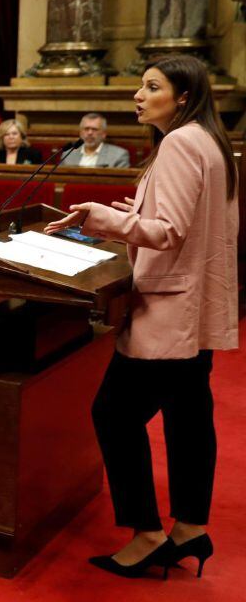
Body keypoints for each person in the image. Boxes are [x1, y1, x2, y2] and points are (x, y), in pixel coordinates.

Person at [44, 55, 238, 580]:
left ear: (181, 97)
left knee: (113, 414)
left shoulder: (178, 143)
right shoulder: (212, 142)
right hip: (199, 309)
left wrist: (103, 217)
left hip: (170, 311)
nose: (137, 94)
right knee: (189, 418)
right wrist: (138, 216)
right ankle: (191, 528)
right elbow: (192, 225)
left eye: (151, 86)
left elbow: (171, 230)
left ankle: (148, 533)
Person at [61, 113, 131, 168]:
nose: (89, 133)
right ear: (80, 132)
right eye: (86, 129)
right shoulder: (68, 154)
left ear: (104, 134)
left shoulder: (118, 155)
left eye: (94, 129)